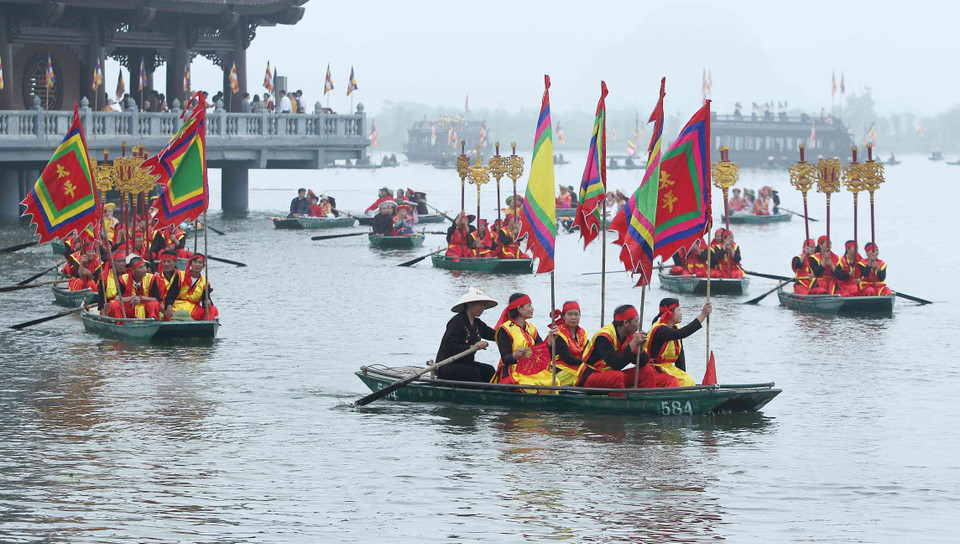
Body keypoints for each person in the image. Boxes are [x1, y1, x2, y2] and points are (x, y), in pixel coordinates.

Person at [578, 304, 676, 389]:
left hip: (610, 375)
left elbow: (642, 363)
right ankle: (621, 404)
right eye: (636, 321)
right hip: (591, 376)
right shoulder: (604, 337)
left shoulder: (629, 336)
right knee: (618, 376)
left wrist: (641, 348)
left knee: (647, 370)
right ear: (626, 323)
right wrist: (633, 343)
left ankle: (645, 399)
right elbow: (616, 365)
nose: (638, 325)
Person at [435, 287, 498, 382]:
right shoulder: (457, 322)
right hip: (447, 365)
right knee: (473, 372)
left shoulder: (478, 323)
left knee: (489, 370)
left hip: (466, 363)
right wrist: (471, 347)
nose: (482, 308)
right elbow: (450, 346)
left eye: (484, 305)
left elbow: (494, 334)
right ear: (470, 304)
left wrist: (510, 332)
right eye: (480, 304)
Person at [644, 299, 713, 387]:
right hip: (654, 370)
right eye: (679, 310)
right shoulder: (660, 330)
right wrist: (703, 315)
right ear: (670, 313)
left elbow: (680, 358)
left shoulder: (675, 328)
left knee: (687, 379)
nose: (681, 313)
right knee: (674, 381)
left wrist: (683, 373)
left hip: (668, 369)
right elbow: (683, 333)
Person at [493, 293, 555, 387]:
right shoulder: (505, 329)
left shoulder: (531, 327)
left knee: (552, 381)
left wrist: (550, 341)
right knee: (534, 385)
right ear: (519, 309)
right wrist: (515, 355)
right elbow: (505, 358)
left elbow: (541, 351)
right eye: (529, 305)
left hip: (530, 370)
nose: (532, 308)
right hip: (512, 371)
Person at [106, 255, 163, 320]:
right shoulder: (123, 279)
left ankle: (151, 323)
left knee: (154, 304)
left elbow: (156, 299)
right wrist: (131, 298)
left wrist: (141, 298)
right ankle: (121, 324)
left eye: (144, 266)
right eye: (141, 267)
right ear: (133, 270)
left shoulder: (151, 278)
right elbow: (117, 298)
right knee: (115, 305)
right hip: (129, 307)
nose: (144, 269)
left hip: (145, 307)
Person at [551, 301, 589, 386]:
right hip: (560, 369)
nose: (573, 317)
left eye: (576, 314)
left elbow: (590, 351)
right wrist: (588, 364)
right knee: (586, 372)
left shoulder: (582, 333)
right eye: (570, 314)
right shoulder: (558, 333)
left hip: (578, 366)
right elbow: (568, 358)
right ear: (563, 316)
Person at [172, 254, 218, 321]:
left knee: (213, 309)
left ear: (203, 266)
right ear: (191, 264)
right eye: (195, 262)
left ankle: (206, 327)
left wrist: (208, 303)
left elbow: (205, 301)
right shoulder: (179, 275)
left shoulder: (205, 282)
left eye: (200, 262)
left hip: (194, 310)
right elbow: (170, 295)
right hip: (176, 307)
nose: (197, 265)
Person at [154, 249, 182, 320]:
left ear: (175, 262)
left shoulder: (181, 276)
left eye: (169, 261)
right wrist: (162, 309)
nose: (166, 264)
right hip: (161, 307)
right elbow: (154, 297)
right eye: (164, 261)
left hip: (178, 304)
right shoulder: (156, 278)